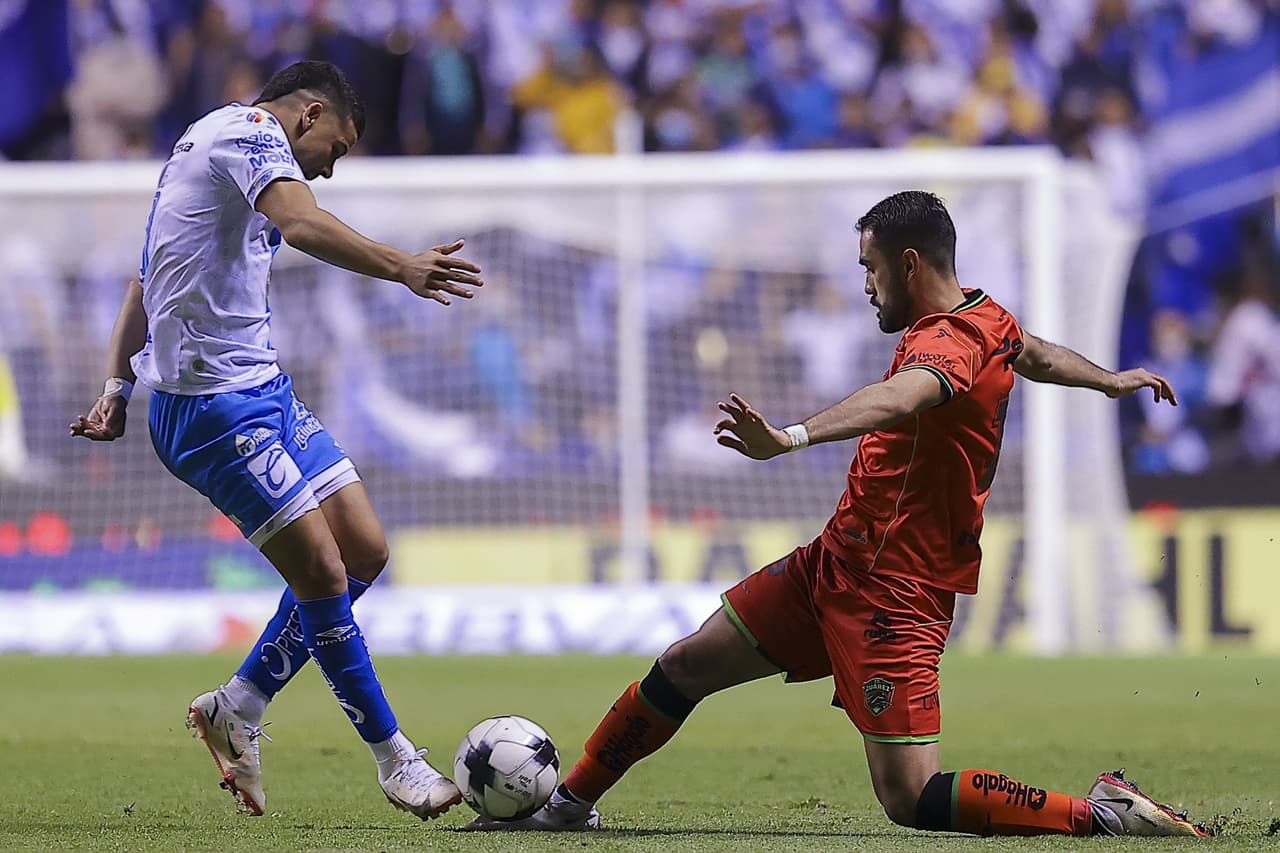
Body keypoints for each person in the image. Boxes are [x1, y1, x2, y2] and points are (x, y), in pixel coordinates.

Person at [470, 191, 1212, 838]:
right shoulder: (990, 320)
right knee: (684, 663)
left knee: (911, 795)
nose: (865, 283)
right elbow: (1037, 353)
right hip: (835, 563)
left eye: (871, 267)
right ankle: (568, 804)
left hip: (896, 593)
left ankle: (1103, 812)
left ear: (910, 264)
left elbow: (902, 396)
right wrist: (1109, 378)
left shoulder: (946, 347)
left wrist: (789, 436)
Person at [70, 61, 483, 820]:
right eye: (339, 145)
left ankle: (240, 703)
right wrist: (402, 265)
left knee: (364, 552)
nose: (330, 167)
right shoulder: (250, 132)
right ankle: (397, 761)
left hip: (265, 389)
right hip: (210, 409)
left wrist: (115, 388)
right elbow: (299, 223)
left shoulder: (206, 147)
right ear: (309, 114)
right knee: (324, 572)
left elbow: (145, 276)